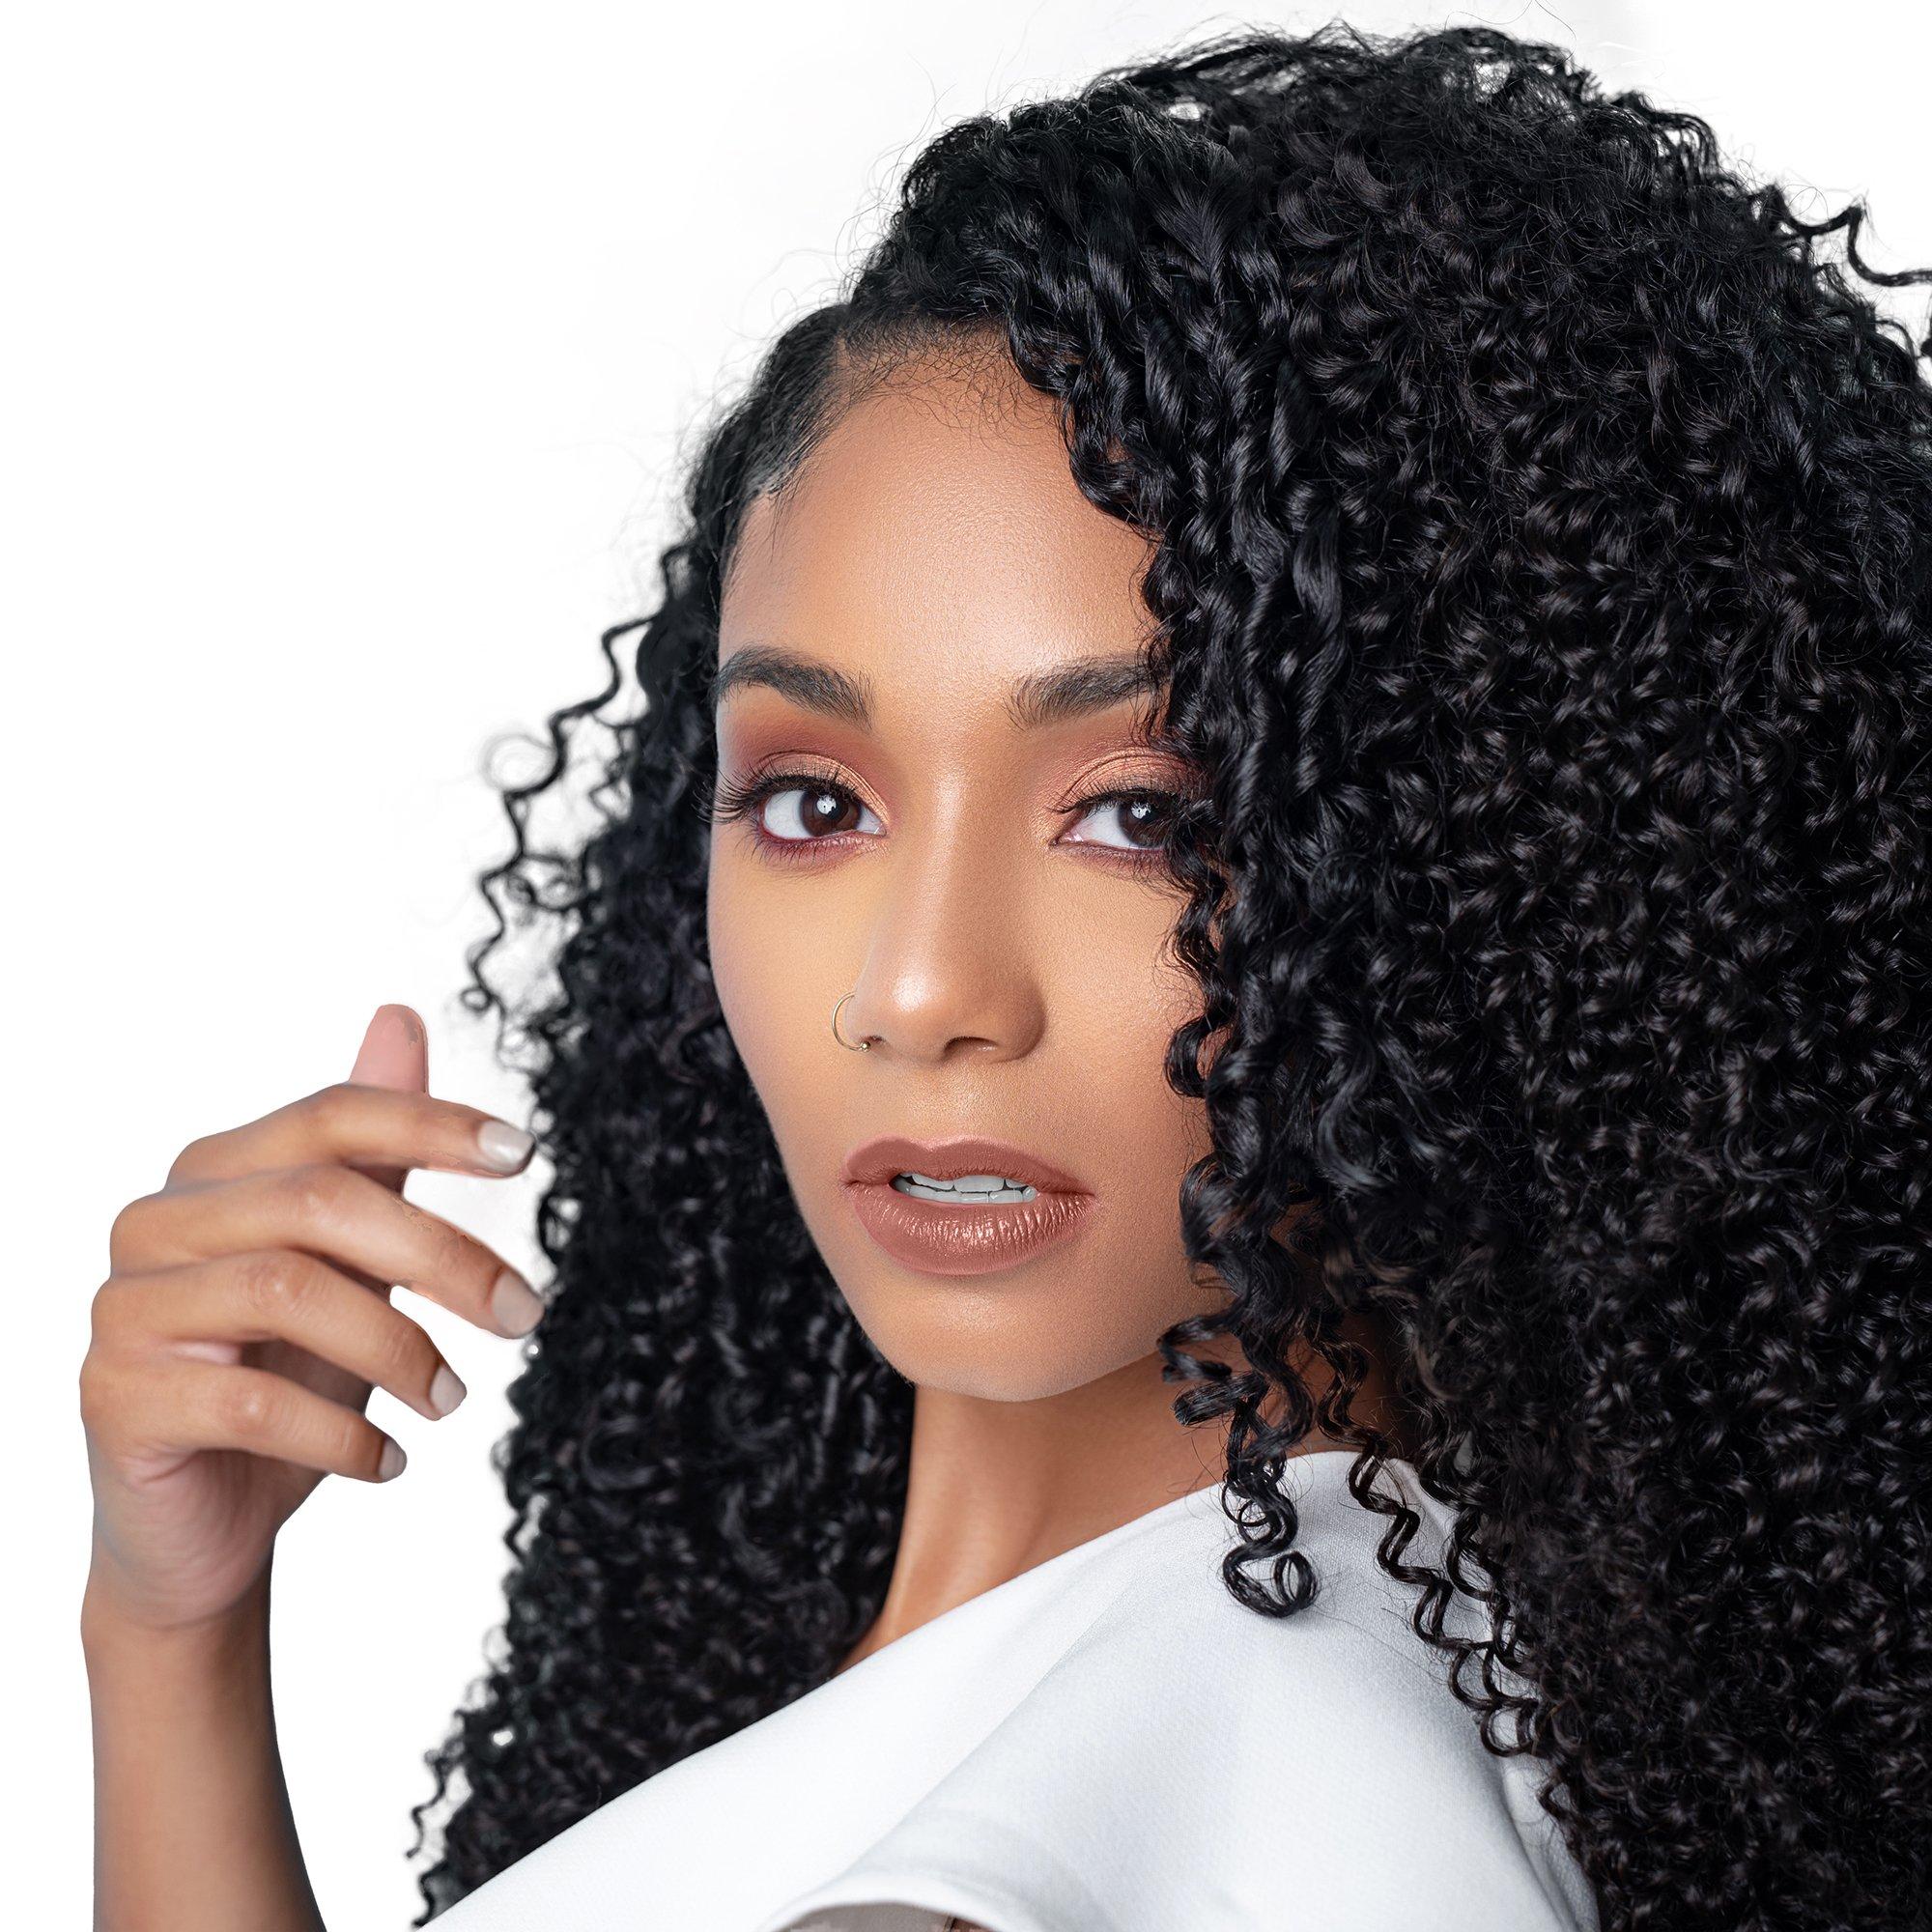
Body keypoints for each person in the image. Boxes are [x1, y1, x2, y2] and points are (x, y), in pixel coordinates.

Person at [78, 20, 1932, 1932]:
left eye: (1138, 815)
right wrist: (170, 1633)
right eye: (815, 802)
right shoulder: (1227, 1709)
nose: (917, 987)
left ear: (1473, 872)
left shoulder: (1158, 1763)